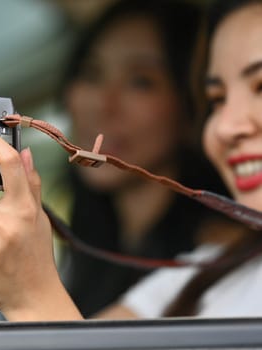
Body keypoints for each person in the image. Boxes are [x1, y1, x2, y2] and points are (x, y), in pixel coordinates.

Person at [0, 0, 262, 321]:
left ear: (186, 111)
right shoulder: (208, 274)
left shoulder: (209, 261)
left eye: (141, 81)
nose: (227, 125)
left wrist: (32, 296)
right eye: (218, 98)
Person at [51, 0, 231, 317]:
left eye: (141, 81)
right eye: (92, 73)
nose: (103, 105)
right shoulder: (87, 247)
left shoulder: (217, 256)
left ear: (193, 107)